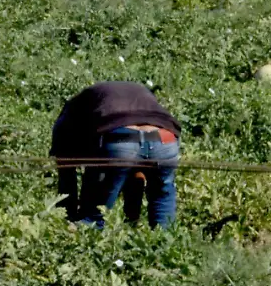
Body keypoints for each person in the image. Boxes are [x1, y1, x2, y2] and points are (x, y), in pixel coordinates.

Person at [51, 82, 180, 228]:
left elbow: (66, 172)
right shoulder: (137, 93)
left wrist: (69, 216)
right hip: (165, 138)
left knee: (94, 216)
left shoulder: (70, 114)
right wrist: (132, 219)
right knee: (162, 196)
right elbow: (137, 169)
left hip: (121, 139)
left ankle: (87, 235)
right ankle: (163, 242)